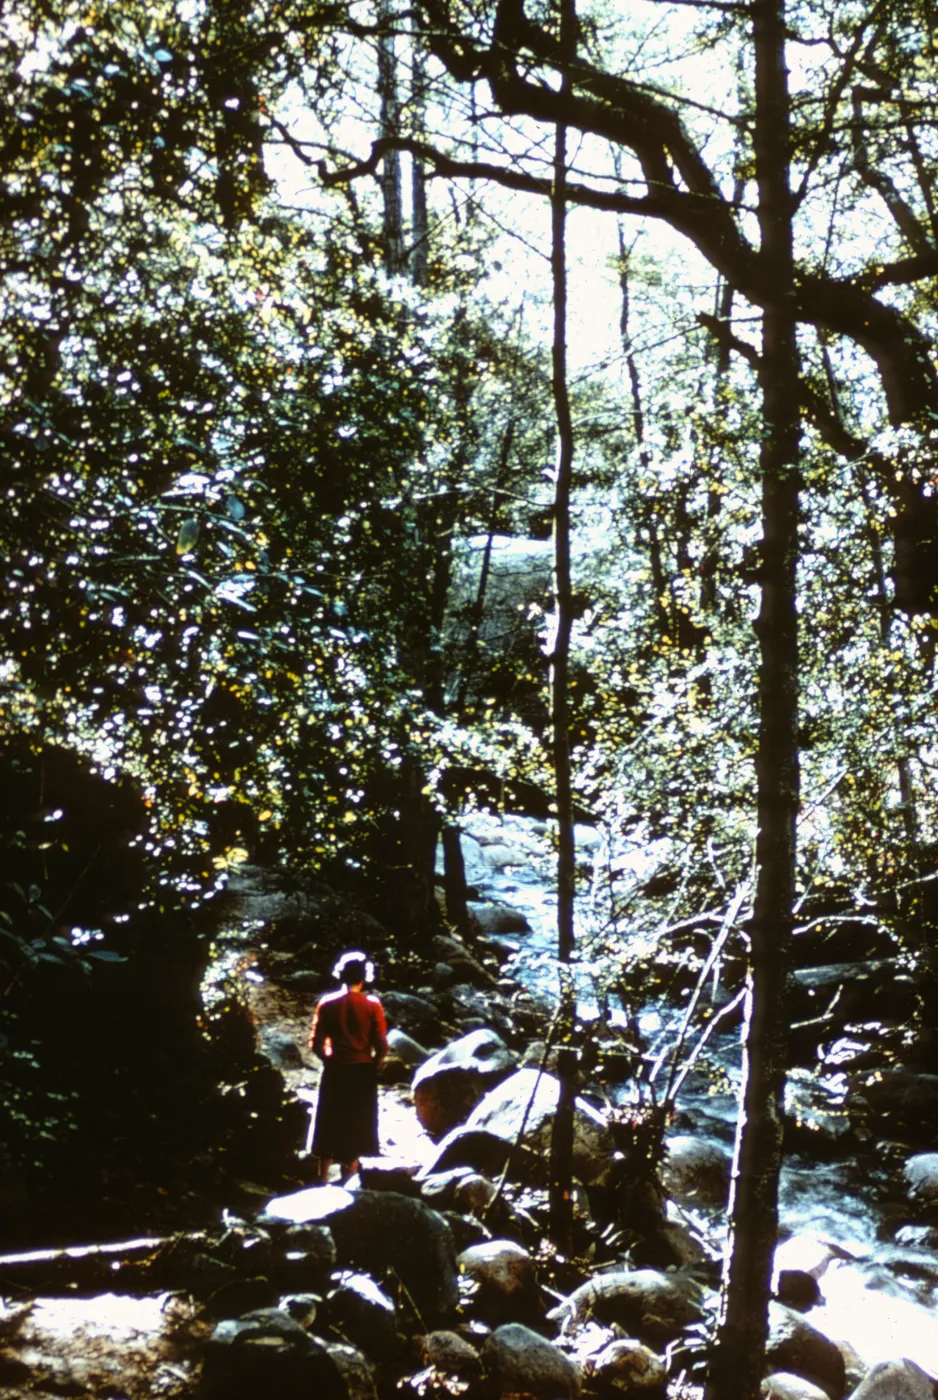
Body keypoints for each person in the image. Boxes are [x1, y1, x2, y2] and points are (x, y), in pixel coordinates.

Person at [307, 950, 388, 1184]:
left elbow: (316, 1043)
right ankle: (349, 1182)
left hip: (335, 1070)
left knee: (329, 1123)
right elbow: (381, 1045)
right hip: (362, 1072)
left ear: (340, 975)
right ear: (364, 977)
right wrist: (375, 1064)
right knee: (355, 1125)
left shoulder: (327, 1004)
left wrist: (328, 1060)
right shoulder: (372, 1005)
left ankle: (321, 1181)